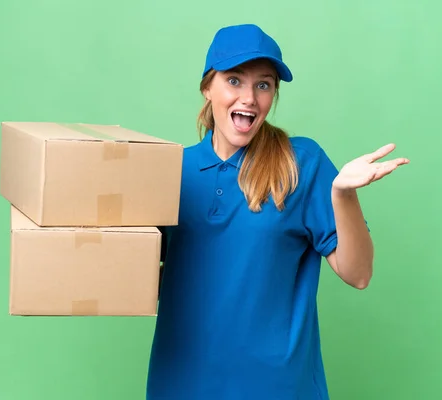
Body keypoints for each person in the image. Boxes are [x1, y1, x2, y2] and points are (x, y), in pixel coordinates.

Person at [146, 23, 409, 399]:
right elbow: (129, 270)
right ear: (208, 87)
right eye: (234, 81)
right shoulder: (169, 173)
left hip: (277, 388)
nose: (249, 98)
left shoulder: (300, 163)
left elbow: (359, 274)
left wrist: (342, 196)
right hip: (182, 384)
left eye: (263, 85)